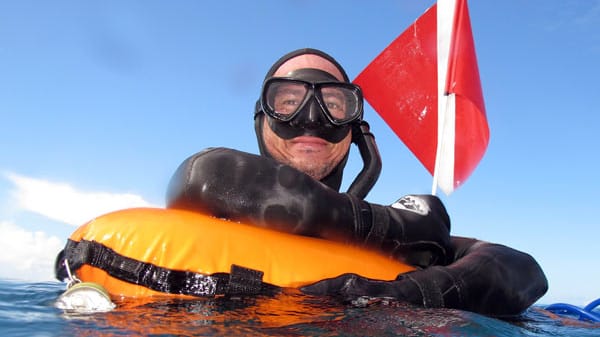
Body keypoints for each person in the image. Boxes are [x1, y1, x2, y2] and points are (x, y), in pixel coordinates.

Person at [166, 48, 547, 317]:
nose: (311, 118)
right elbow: (204, 175)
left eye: (334, 104)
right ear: (261, 120)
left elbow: (522, 271)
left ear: (355, 134)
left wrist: (415, 294)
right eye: (287, 100)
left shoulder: (404, 246)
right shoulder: (206, 206)